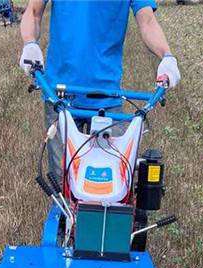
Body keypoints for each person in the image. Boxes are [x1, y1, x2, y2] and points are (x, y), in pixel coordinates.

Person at [18, 0, 180, 179]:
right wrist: (30, 43)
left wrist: (167, 56)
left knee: (112, 179)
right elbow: (33, 12)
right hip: (60, 96)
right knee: (62, 180)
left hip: (107, 97)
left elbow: (148, 21)